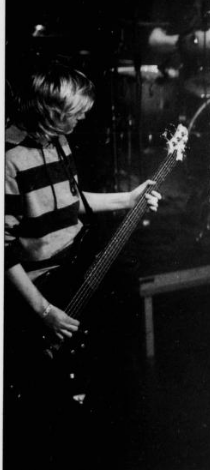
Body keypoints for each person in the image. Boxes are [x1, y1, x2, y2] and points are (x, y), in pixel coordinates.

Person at [4, 62, 163, 466]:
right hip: (44, 290)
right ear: (50, 111)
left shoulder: (58, 139)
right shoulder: (8, 158)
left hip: (78, 270)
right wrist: (45, 311)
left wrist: (128, 198)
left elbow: (69, 202)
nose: (83, 118)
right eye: (76, 112)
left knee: (111, 379)